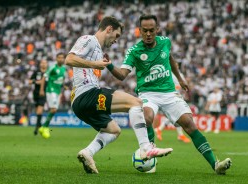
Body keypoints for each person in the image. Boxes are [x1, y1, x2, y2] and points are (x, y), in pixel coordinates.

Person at [106, 14, 232, 175]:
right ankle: (150, 154)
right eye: (145, 31)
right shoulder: (135, 51)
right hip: (148, 93)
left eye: (152, 30)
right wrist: (109, 65)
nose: (149, 34)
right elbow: (122, 74)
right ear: (140, 31)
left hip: (169, 93)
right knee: (147, 115)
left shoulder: (165, 42)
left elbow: (170, 59)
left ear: (157, 29)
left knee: (189, 124)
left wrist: (180, 78)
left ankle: (216, 165)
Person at [64, 16, 173, 174]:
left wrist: (102, 64)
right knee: (135, 103)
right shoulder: (88, 40)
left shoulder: (99, 50)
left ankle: (88, 153)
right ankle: (145, 148)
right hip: (86, 94)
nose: (116, 41)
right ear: (109, 29)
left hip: (81, 104)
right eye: (116, 36)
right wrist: (96, 64)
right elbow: (69, 58)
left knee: (114, 130)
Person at [155, 72, 191, 143]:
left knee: (178, 115)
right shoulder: (173, 73)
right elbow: (183, 83)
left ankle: (179, 135)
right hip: (173, 96)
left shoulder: (170, 72)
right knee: (179, 114)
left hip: (174, 96)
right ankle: (160, 128)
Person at [39, 53, 66, 139]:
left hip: (58, 92)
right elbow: (44, 77)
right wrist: (41, 90)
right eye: (59, 58)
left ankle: (43, 127)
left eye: (62, 58)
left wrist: (63, 87)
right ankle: (45, 127)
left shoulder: (63, 68)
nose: (61, 59)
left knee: (54, 109)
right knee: (53, 109)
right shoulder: (52, 67)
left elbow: (61, 79)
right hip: (51, 91)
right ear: (56, 58)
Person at [29, 59, 48, 135]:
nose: (43, 64)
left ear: (46, 64)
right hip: (35, 93)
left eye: (45, 63)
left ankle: (36, 128)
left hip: (44, 93)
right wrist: (36, 82)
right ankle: (39, 126)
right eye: (42, 63)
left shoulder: (48, 72)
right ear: (40, 64)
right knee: (38, 112)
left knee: (40, 111)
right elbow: (29, 81)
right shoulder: (36, 72)